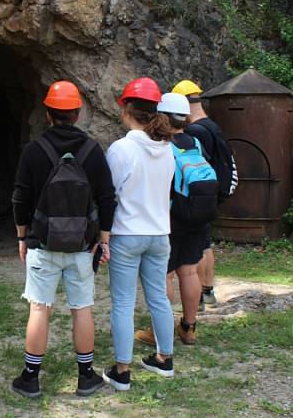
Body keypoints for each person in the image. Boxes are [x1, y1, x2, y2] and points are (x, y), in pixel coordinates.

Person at [10, 80, 116, 398]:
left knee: (39, 308)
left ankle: (31, 378)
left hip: (42, 243)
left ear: (48, 114)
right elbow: (108, 198)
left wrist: (22, 237)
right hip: (83, 246)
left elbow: (20, 198)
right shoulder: (93, 150)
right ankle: (85, 376)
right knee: (82, 307)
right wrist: (104, 240)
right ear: (78, 114)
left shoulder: (33, 151)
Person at [102, 77, 177, 392]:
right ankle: (164, 359)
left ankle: (122, 370)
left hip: (127, 234)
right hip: (160, 234)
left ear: (126, 109)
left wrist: (102, 236)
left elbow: (109, 194)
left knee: (122, 300)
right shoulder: (167, 148)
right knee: (158, 296)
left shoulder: (121, 149)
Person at [136, 92, 216, 347]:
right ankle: (189, 328)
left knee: (165, 274)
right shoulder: (195, 143)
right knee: (190, 271)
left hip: (170, 216)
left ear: (163, 116)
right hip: (196, 215)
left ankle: (159, 331)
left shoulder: (162, 146)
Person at [172, 79, 221, 309]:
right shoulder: (212, 126)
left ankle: (200, 296)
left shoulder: (194, 133)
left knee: (183, 265)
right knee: (204, 245)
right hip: (207, 196)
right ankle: (206, 290)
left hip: (187, 201)